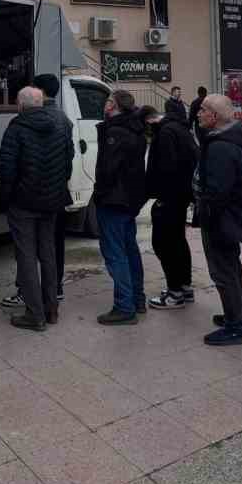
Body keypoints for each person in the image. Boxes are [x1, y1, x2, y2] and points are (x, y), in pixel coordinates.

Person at [0, 85, 73, 332]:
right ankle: (51, 309)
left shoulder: (16, 127)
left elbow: (6, 170)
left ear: (20, 104)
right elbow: (68, 164)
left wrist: (6, 197)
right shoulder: (59, 126)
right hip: (51, 202)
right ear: (41, 103)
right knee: (48, 253)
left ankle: (34, 314)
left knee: (26, 257)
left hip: (23, 204)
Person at [194, 94, 242, 344]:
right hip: (225, 219)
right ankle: (236, 314)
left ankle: (236, 327)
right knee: (230, 267)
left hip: (221, 221)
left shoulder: (221, 147)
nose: (198, 114)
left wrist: (207, 216)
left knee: (223, 271)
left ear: (213, 116)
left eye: (202, 110)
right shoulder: (222, 140)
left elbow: (218, 192)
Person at [93, 89, 148, 325]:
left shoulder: (115, 132)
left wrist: (100, 193)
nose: (104, 105)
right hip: (130, 199)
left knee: (115, 254)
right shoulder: (135, 129)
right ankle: (137, 298)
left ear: (113, 106)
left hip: (114, 199)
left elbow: (108, 170)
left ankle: (124, 306)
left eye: (107, 101)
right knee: (129, 250)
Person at [146, 97, 199, 308]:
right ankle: (184, 287)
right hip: (182, 196)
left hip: (170, 198)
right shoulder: (183, 131)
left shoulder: (167, 133)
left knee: (163, 243)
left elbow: (167, 167)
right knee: (177, 241)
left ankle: (175, 292)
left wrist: (161, 197)